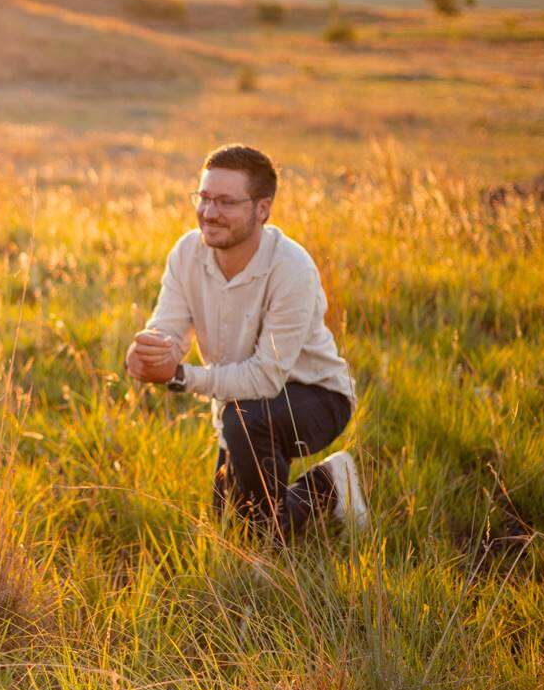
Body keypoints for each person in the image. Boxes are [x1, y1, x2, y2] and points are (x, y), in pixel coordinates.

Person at [123, 144, 368, 539]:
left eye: (226, 202)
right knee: (230, 520)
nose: (208, 212)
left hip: (315, 397)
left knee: (246, 428)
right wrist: (150, 353)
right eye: (203, 198)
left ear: (262, 209)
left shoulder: (292, 268)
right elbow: (167, 329)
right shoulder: (187, 253)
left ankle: (268, 553)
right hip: (241, 405)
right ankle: (330, 484)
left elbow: (267, 379)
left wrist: (182, 376)